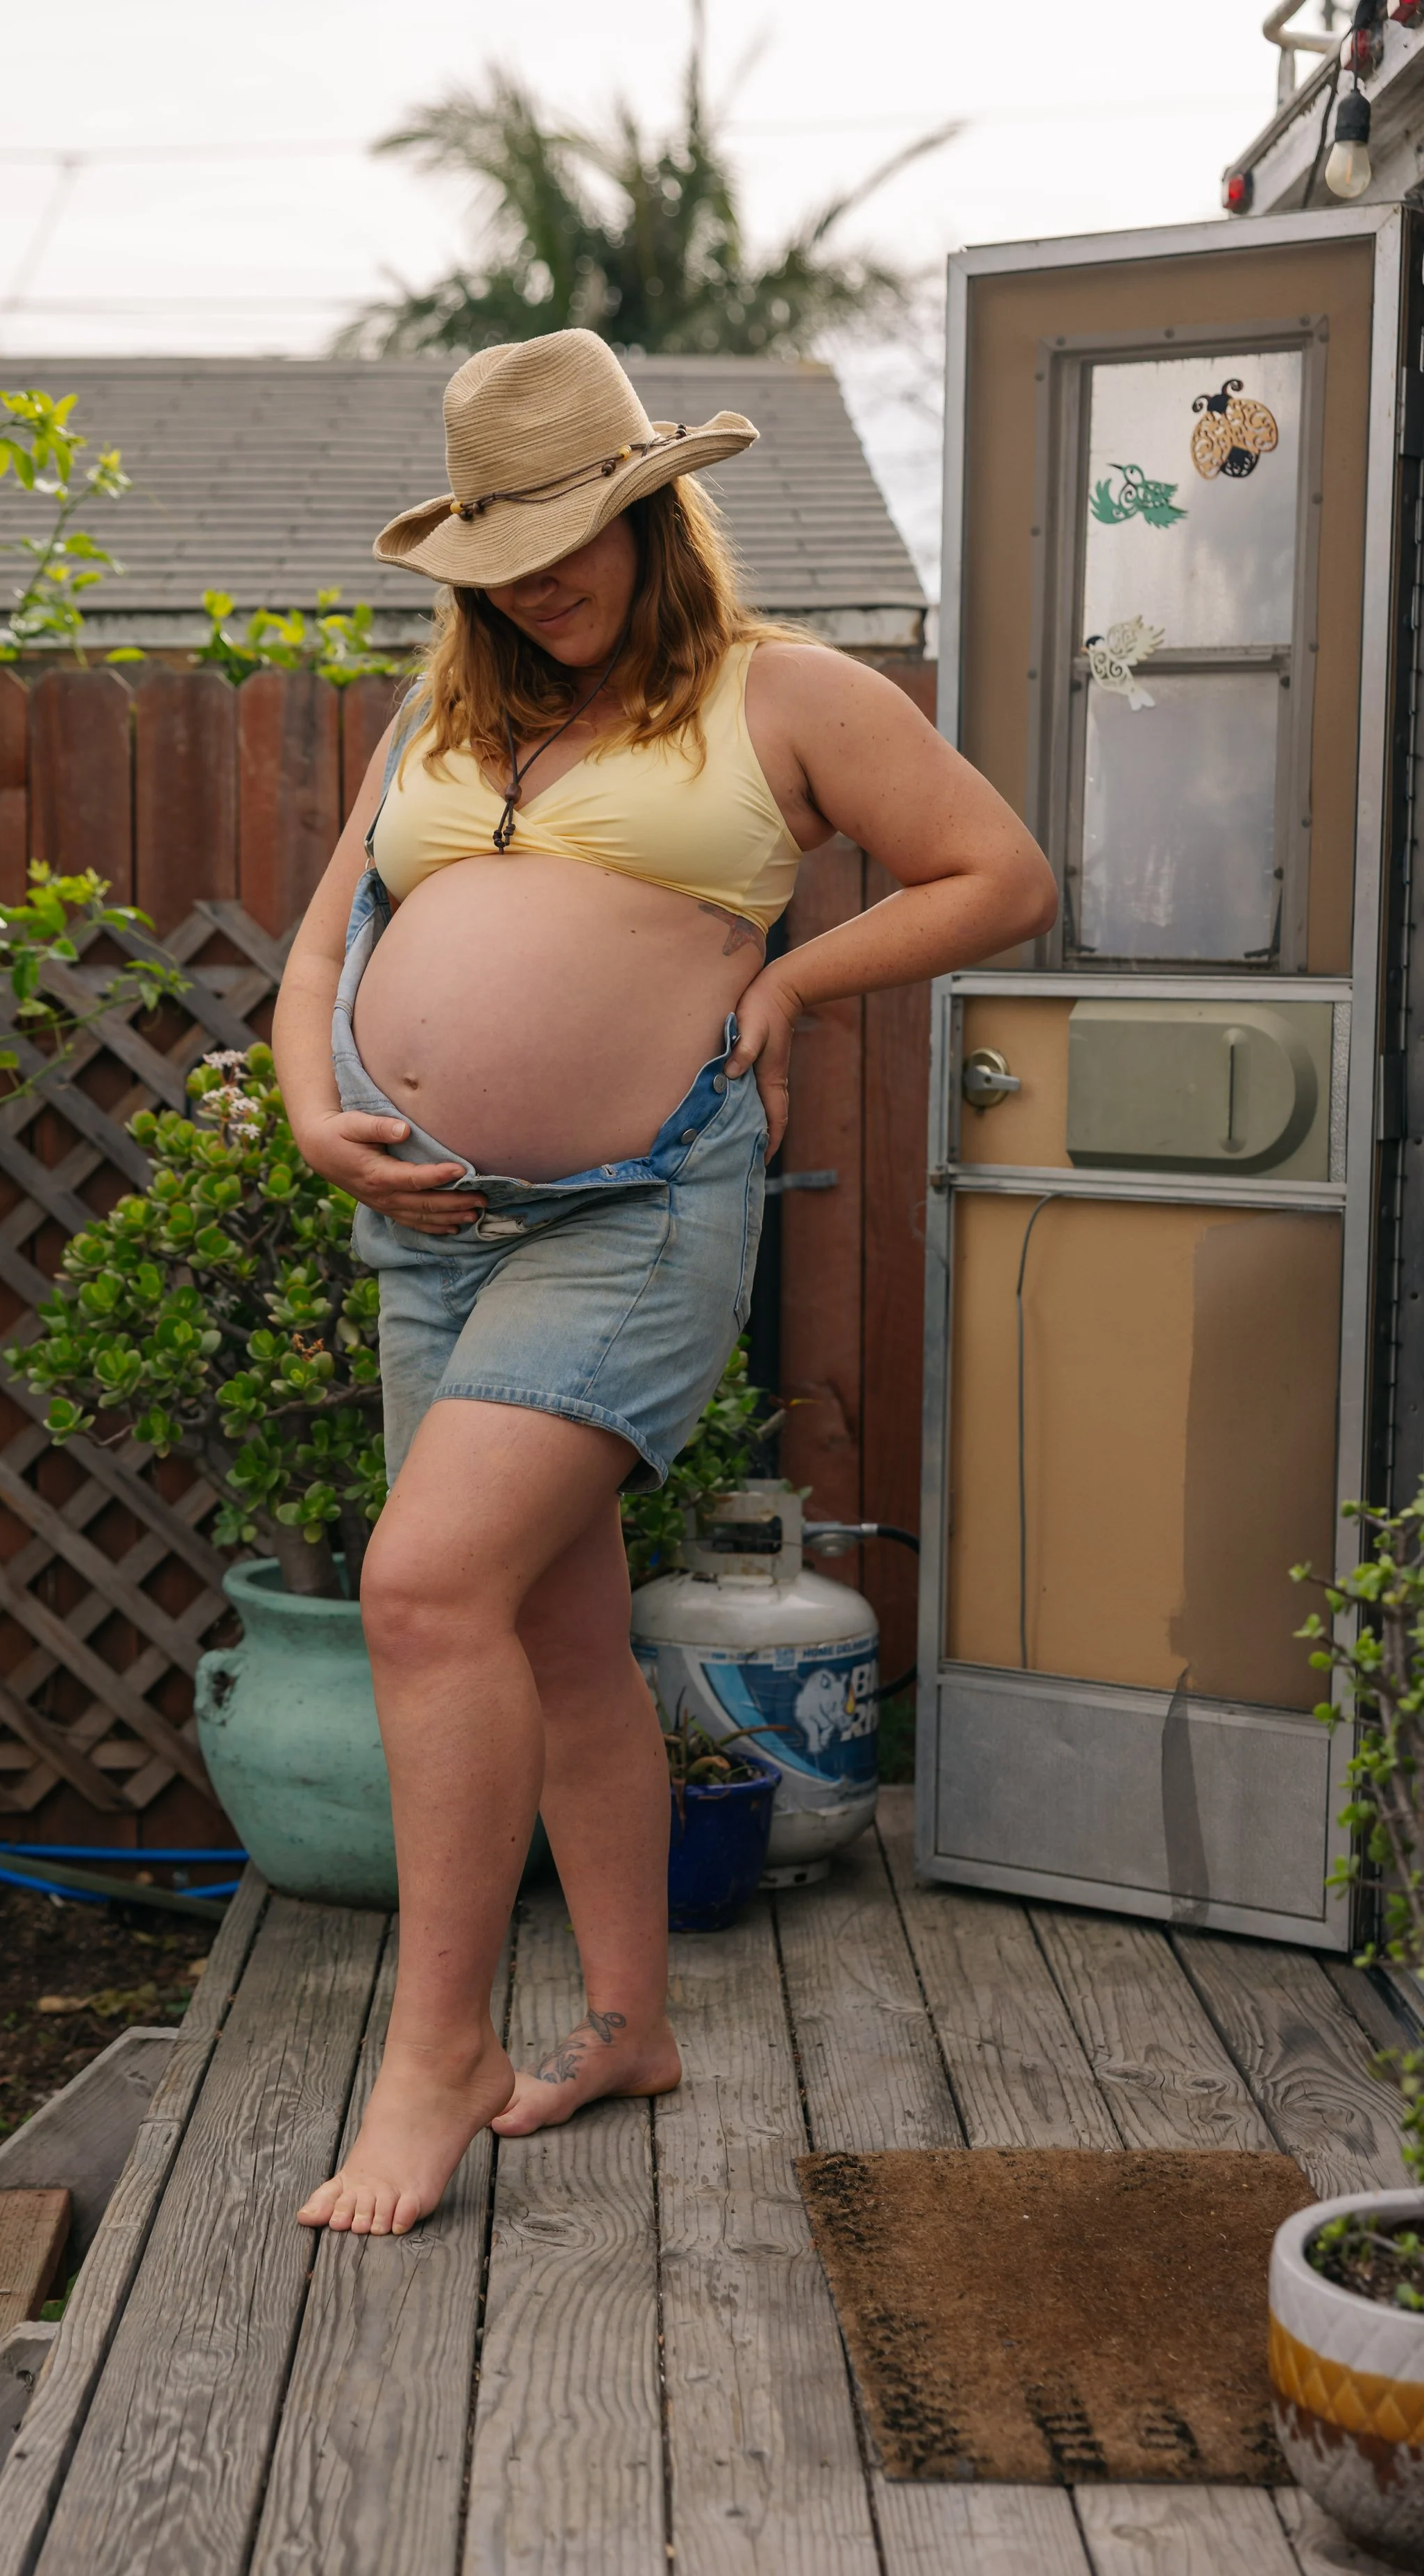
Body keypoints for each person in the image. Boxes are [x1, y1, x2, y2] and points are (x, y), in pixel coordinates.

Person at [274, 329, 1053, 2236]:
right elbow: (319, 950)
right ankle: (626, 2025)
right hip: (434, 1224)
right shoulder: (441, 714)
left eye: (572, 538)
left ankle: (436, 2053)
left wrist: (787, 977)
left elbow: (997, 873)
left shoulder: (782, 692)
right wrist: (314, 1114)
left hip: (630, 1222)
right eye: (505, 555)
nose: (541, 581)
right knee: (550, 1633)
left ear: (651, 514)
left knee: (421, 1590)